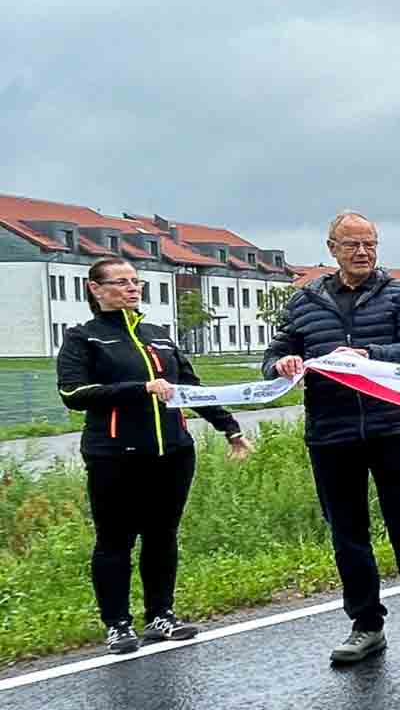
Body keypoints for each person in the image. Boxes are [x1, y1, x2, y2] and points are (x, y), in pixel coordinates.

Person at [262, 210, 400, 668]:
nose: (363, 252)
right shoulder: (305, 301)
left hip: (393, 428)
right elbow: (276, 351)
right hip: (331, 433)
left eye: (370, 243)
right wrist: (281, 364)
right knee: (348, 535)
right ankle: (366, 625)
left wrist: (368, 356)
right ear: (332, 248)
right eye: (352, 244)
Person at [56, 258, 255, 653]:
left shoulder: (158, 335)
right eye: (121, 282)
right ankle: (117, 624)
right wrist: (140, 388)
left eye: (136, 281)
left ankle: (160, 615)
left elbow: (191, 388)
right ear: (95, 289)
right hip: (114, 455)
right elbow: (72, 394)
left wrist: (229, 427)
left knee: (162, 536)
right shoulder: (85, 338)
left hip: (173, 453)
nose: (133, 288)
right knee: (115, 540)